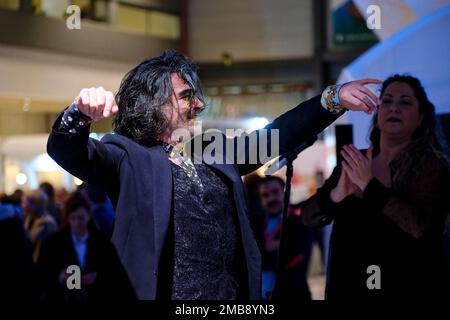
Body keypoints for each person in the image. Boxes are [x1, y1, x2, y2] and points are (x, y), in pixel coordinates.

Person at [47, 49, 380, 300]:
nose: (198, 105)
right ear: (153, 103)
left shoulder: (212, 149)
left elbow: (275, 137)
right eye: (185, 96)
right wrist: (78, 114)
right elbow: (68, 152)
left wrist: (332, 100)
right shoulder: (126, 155)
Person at [301, 74, 450, 300]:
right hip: (351, 284)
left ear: (420, 117)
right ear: (377, 113)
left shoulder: (432, 165)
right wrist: (335, 195)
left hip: (409, 286)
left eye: (405, 102)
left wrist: (369, 185)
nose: (394, 108)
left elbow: (421, 228)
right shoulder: (354, 160)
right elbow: (308, 217)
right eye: (387, 100)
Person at [37, 192, 134, 301]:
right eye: (73, 218)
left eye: (81, 218)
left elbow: (117, 277)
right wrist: (60, 278)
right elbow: (41, 276)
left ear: (88, 216)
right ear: (68, 218)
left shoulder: (102, 244)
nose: (77, 222)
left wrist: (97, 277)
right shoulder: (53, 244)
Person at [254, 176, 311, 300]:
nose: (271, 198)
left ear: (284, 193)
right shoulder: (255, 224)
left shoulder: (298, 221)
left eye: (275, 192)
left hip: (292, 292)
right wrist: (280, 245)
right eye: (265, 195)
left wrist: (270, 249)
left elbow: (297, 250)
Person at [23, 191, 58, 262]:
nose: (24, 206)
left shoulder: (48, 223)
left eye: (26, 203)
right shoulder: (29, 218)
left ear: (37, 205)